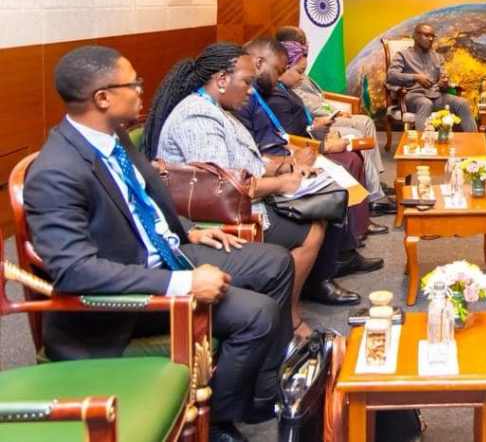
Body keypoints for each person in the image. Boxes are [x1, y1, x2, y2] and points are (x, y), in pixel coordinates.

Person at [24, 46, 294, 442]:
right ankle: (218, 422)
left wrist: (188, 231)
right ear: (103, 98)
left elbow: (143, 202)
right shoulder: (56, 172)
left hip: (164, 252)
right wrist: (184, 284)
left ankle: (261, 391)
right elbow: (75, 271)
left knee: (276, 263)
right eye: (133, 84)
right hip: (120, 302)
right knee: (258, 314)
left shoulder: (112, 137)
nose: (141, 91)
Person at [143, 42, 362, 333]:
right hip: (216, 217)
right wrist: (280, 183)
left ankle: (289, 305)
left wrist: (285, 167)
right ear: (222, 79)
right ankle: (288, 319)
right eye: (246, 82)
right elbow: (222, 188)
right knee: (311, 230)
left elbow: (246, 161)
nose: (250, 91)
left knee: (321, 209)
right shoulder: (197, 118)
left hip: (239, 202)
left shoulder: (216, 109)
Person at [233, 37, 384, 279]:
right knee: (334, 178)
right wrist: (294, 161)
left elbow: (278, 136)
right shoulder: (245, 100)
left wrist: (300, 152)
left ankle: (345, 250)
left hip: (287, 157)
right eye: (279, 70)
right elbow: (252, 156)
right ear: (260, 62)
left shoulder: (255, 95)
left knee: (339, 169)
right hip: (273, 172)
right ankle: (333, 266)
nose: (279, 77)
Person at [274, 31, 395, 220]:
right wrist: (324, 126)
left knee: (364, 123)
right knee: (356, 133)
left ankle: (374, 183)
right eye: (302, 41)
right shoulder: (282, 86)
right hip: (312, 133)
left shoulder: (292, 74)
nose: (306, 44)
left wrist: (326, 115)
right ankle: (374, 195)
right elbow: (302, 114)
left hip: (315, 124)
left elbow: (314, 101)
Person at [385, 22, 477, 133]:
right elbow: (391, 76)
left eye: (433, 36)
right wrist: (415, 77)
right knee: (425, 103)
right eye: (427, 35)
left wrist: (444, 82)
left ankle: (474, 141)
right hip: (414, 97)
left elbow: (444, 80)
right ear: (416, 36)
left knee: (462, 103)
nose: (430, 39)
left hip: (437, 96)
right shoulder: (403, 55)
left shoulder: (437, 57)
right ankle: (424, 142)